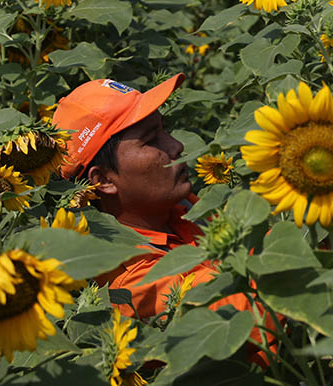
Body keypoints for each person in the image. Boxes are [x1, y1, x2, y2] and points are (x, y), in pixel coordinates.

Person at [51, 74, 275, 359]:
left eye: (164, 130)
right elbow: (248, 314)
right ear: (103, 181)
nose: (175, 146)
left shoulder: (178, 210)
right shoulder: (127, 284)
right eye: (150, 140)